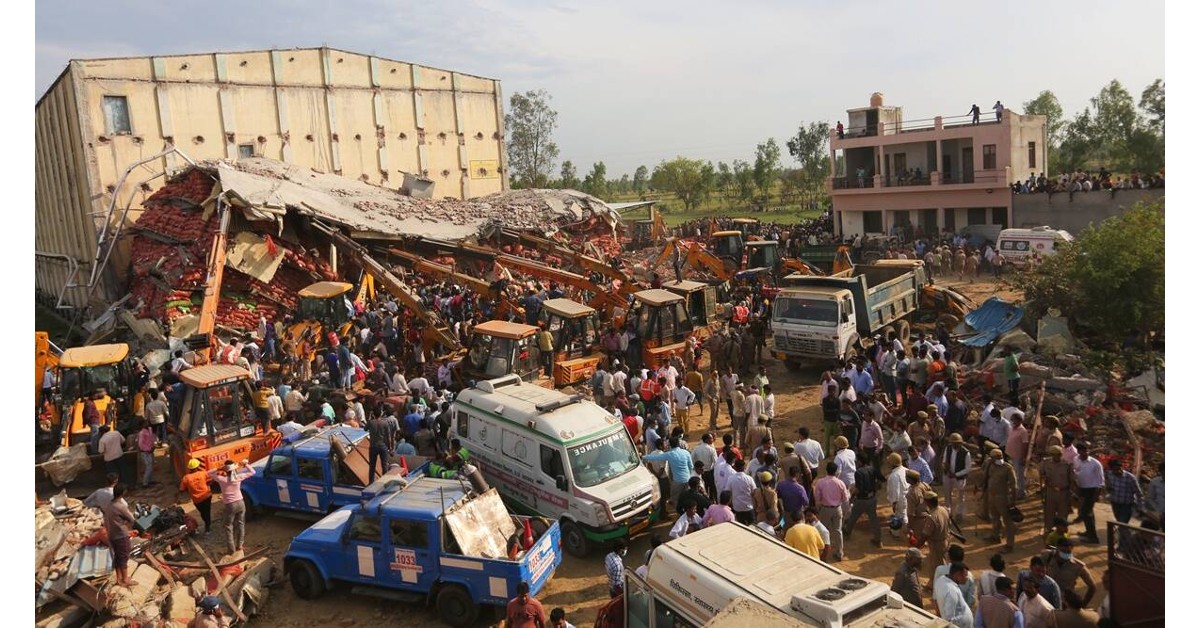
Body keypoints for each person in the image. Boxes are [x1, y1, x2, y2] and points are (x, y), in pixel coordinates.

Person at [212, 459, 255, 554]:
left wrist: (220, 468)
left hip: (230, 505)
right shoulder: (239, 477)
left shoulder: (222, 479)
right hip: (240, 502)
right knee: (241, 524)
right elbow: (253, 472)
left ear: (226, 470)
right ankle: (239, 546)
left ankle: (231, 550)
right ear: (234, 469)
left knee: (228, 526)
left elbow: (209, 473)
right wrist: (246, 464)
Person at [984, 448, 1019, 553]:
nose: (999, 459)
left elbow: (1014, 486)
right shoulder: (990, 466)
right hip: (992, 496)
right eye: (996, 458)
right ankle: (995, 535)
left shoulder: (1008, 468)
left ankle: (1009, 544)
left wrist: (1013, 500)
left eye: (1000, 457)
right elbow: (986, 477)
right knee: (995, 517)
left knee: (1007, 521)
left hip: (1003, 497)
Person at [814, 461, 850, 561]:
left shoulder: (820, 482)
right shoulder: (840, 483)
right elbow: (845, 499)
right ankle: (839, 553)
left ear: (827, 470)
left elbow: (817, 498)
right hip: (837, 509)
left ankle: (822, 553)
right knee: (838, 531)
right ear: (836, 471)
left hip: (825, 509)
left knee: (823, 531)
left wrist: (819, 507)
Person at [1045, 538, 1096, 607]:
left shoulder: (1078, 566)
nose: (1066, 553)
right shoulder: (1047, 556)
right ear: (1057, 549)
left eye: (1068, 552)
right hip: (1046, 598)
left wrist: (1083, 605)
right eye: (1063, 551)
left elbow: (1092, 587)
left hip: (1063, 603)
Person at [843, 458, 882, 548]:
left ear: (861, 461)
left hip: (861, 500)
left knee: (853, 517)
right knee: (873, 519)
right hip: (872, 498)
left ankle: (847, 533)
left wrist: (852, 497)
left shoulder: (858, 472)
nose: (856, 462)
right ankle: (878, 540)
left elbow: (858, 488)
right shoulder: (872, 468)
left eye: (857, 461)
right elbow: (880, 480)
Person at [915, 491, 952, 586]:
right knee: (942, 561)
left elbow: (925, 535)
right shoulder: (944, 510)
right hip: (945, 539)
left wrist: (916, 546)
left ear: (928, 502)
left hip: (936, 543)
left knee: (936, 565)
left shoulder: (932, 517)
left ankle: (934, 585)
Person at [1071, 443, 1104, 544]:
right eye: (1081, 451)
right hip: (1081, 489)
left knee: (1086, 512)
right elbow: (1075, 471)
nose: (1083, 453)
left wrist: (1096, 495)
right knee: (1087, 512)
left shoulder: (1095, 463)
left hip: (1092, 490)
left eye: (1085, 451)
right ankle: (1089, 532)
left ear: (1087, 451)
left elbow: (1101, 481)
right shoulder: (1076, 459)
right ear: (1078, 451)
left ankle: (1093, 537)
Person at [106, 484, 137, 587]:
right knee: (124, 556)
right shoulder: (121, 506)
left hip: (112, 534)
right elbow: (132, 519)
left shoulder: (109, 504)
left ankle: (119, 578)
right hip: (121, 535)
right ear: (123, 492)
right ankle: (125, 579)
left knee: (118, 556)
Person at [1039, 446, 1073, 534]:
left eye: (1058, 455)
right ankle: (1048, 532)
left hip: (1063, 492)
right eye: (1054, 455)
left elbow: (1071, 480)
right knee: (1049, 513)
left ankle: (1062, 533)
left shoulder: (1067, 465)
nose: (1057, 457)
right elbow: (1041, 475)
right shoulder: (1045, 463)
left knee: (1063, 514)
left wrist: (1071, 494)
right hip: (1050, 491)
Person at [943, 433, 972, 522]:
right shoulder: (948, 448)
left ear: (960, 443)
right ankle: (948, 513)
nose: (954, 445)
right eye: (953, 443)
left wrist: (956, 474)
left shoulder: (966, 452)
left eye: (956, 443)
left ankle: (959, 513)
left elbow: (968, 468)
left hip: (960, 478)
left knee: (960, 496)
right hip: (948, 475)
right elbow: (944, 460)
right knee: (947, 495)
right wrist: (945, 467)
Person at [937, 562, 975, 628]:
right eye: (965, 575)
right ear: (957, 575)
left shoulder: (941, 579)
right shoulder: (951, 591)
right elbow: (949, 619)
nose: (967, 578)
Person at [1104, 458, 1142, 524]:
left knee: (1122, 523)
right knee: (1119, 521)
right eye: (1113, 470)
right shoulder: (1110, 474)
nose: (1116, 471)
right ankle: (1123, 533)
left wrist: (1140, 506)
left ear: (1121, 467)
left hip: (1127, 505)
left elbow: (1138, 493)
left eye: (1118, 469)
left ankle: (1124, 534)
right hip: (1115, 503)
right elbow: (1108, 485)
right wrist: (1108, 489)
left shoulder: (1130, 478)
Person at [728, 458, 757, 524]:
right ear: (744, 467)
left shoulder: (731, 479)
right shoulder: (749, 479)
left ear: (734, 467)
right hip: (749, 507)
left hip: (737, 508)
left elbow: (728, 492)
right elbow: (754, 492)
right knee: (752, 527)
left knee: (741, 527)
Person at [137, 420, 156, 487]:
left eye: (147, 423)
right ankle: (145, 483)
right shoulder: (142, 433)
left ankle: (150, 480)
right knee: (148, 467)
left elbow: (152, 438)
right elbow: (141, 445)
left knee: (151, 466)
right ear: (142, 425)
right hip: (145, 452)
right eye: (145, 423)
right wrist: (148, 449)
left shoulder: (150, 429)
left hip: (150, 450)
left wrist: (153, 446)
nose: (147, 424)